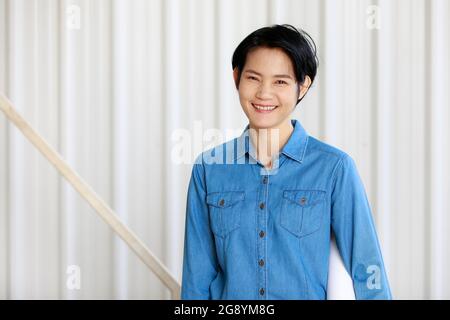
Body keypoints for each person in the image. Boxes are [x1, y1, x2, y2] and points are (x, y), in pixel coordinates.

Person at [181, 24, 392, 300]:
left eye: (280, 81)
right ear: (236, 78)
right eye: (253, 78)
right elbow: (196, 279)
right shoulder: (209, 170)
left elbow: (368, 268)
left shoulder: (334, 169)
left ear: (302, 86)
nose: (264, 93)